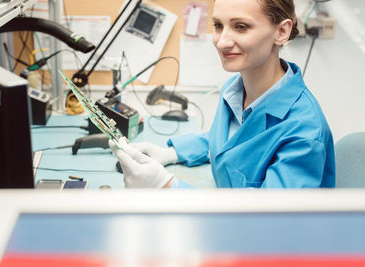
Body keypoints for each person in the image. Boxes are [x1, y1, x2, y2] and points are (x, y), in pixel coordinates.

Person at [109, 0, 335, 188]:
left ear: (282, 32)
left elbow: (268, 224)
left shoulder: (304, 132)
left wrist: (166, 186)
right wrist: (170, 153)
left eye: (241, 27)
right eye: (218, 25)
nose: (222, 41)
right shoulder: (234, 89)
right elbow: (230, 141)